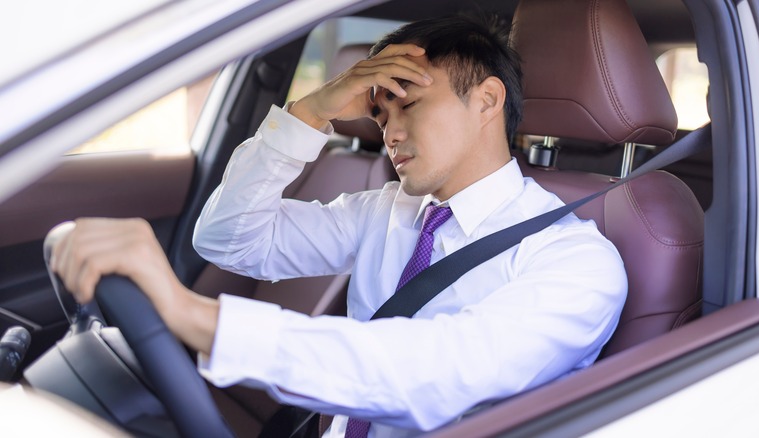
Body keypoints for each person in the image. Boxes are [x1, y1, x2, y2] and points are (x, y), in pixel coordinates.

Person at [52, 13, 627, 438]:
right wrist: (311, 112)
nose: (389, 132)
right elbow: (228, 239)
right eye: (379, 113)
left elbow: (435, 371)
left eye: (408, 104)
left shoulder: (576, 262)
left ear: (486, 100)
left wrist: (192, 314)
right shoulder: (384, 210)